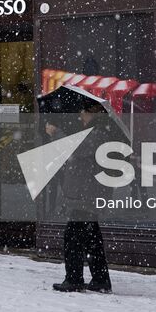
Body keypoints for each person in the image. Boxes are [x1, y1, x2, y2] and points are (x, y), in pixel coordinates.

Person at [48, 103, 116, 294]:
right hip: (88, 193)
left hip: (87, 195)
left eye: (83, 111)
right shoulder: (98, 131)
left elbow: (77, 149)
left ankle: (74, 279)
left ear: (92, 113)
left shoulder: (99, 132)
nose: (80, 115)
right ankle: (100, 280)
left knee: (73, 237)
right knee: (92, 239)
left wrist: (57, 134)